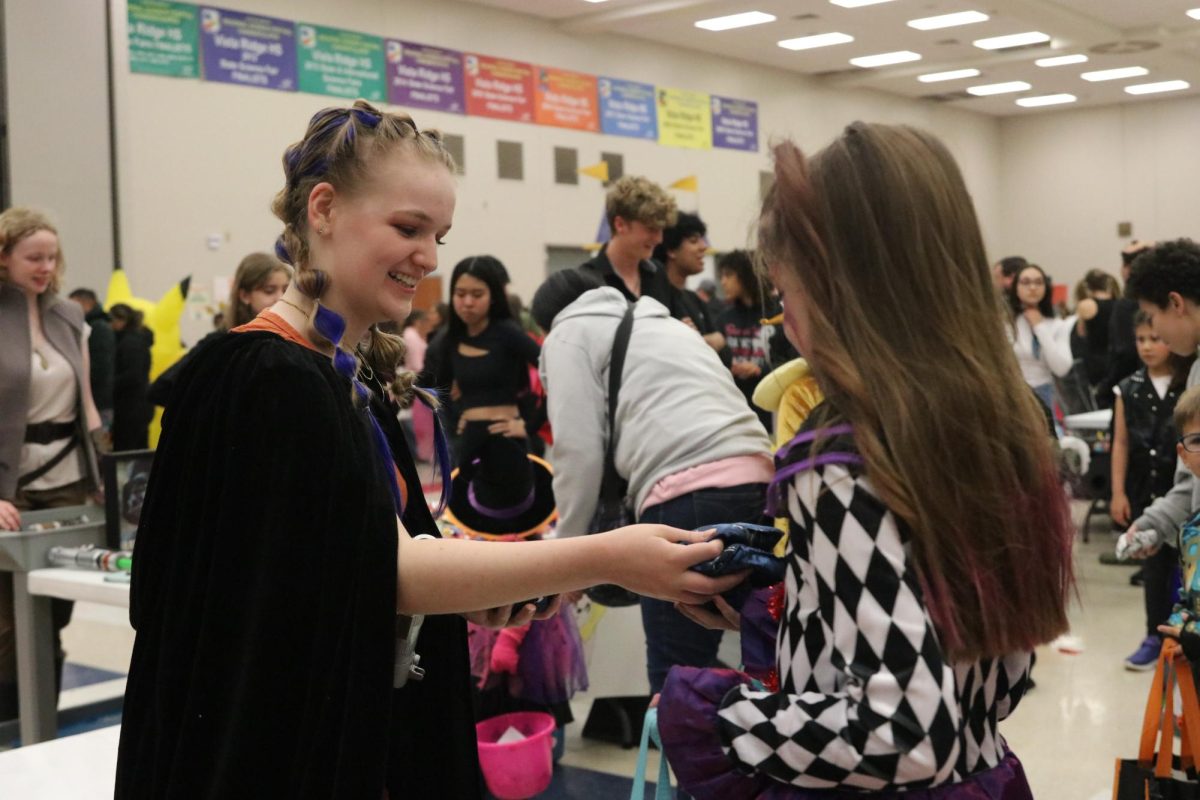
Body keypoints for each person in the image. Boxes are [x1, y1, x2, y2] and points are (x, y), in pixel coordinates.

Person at [114, 100, 741, 800]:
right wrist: (606, 554)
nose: (430, 258)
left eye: (439, 233)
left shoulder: (336, 376)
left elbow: (339, 572)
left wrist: (486, 587)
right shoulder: (271, 381)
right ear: (322, 208)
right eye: (408, 228)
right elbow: (389, 569)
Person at [655, 122, 1074, 799]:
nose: (786, 323)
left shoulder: (843, 459)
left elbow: (904, 731)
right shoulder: (997, 426)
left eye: (786, 296)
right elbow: (986, 674)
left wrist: (724, 718)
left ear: (839, 290)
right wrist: (790, 606)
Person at [532, 269, 773, 695]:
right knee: (764, 661)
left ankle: (696, 757)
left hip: (687, 494)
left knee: (676, 686)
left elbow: (578, 449)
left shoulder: (567, 333)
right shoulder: (660, 322)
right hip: (759, 482)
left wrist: (565, 560)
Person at [0, 207, 104, 720]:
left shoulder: (69, 315)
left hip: (67, 480)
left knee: (54, 610)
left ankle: (43, 717)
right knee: (5, 622)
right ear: (4, 257)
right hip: (8, 486)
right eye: (33, 257)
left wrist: (102, 475)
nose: (45, 267)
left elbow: (84, 400)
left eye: (52, 257)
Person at [1111, 311, 1192, 670]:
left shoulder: (1188, 380)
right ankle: (1154, 637)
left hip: (1181, 496)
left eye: (1155, 336)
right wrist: (1118, 493)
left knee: (1182, 570)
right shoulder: (1128, 388)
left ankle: (1179, 639)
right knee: (1156, 572)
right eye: (1140, 338)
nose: (1148, 344)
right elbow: (1121, 442)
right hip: (1150, 492)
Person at [1117, 241, 1200, 562]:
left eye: (1152, 316)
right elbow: (1191, 477)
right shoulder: (1195, 371)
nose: (1154, 331)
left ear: (1176, 303)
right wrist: (1155, 523)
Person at [427, 255, 542, 467]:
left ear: (493, 296)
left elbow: (552, 372)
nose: (468, 303)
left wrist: (528, 426)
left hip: (507, 442)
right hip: (467, 444)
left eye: (477, 294)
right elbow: (437, 389)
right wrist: (455, 421)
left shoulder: (509, 333)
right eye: (460, 294)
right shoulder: (450, 339)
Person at [147, 251, 290, 406]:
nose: (280, 298)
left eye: (286, 290)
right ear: (244, 296)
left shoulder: (291, 341)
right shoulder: (220, 343)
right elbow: (161, 390)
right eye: (269, 290)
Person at [578, 175, 685, 319]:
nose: (659, 239)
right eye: (651, 229)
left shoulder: (658, 274)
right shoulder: (587, 281)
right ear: (620, 224)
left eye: (661, 230)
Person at [716, 249, 779, 431]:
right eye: (721, 276)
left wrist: (760, 369)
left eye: (728, 275)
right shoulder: (724, 318)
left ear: (746, 275)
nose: (723, 282)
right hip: (737, 411)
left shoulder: (777, 314)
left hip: (772, 410)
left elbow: (793, 362)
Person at [1006, 262, 1074, 416]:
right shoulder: (1006, 323)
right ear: (1015, 287)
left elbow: (1061, 368)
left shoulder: (1057, 325)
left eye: (1038, 282)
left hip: (1045, 392)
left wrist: (1039, 327)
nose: (1032, 288)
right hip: (1012, 392)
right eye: (1025, 282)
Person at [652, 211, 725, 353]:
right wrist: (705, 341)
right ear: (671, 250)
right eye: (693, 241)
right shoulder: (655, 300)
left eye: (702, 240)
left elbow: (726, 355)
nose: (703, 247)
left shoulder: (695, 300)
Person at [108, 303, 155, 451]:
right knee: (139, 453)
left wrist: (109, 384)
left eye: (111, 321)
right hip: (141, 404)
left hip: (130, 407)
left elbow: (132, 375)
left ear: (120, 321)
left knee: (127, 452)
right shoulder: (138, 339)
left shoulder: (130, 342)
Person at [68, 288, 116, 431]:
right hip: (98, 400)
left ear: (87, 303)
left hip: (98, 402)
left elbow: (100, 367)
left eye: (73, 304)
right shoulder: (98, 325)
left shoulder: (97, 328)